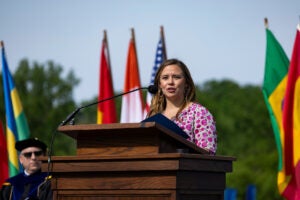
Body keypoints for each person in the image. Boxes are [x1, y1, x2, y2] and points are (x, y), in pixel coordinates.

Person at [147, 58, 217, 154]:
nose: (170, 82)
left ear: (187, 84)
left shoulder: (199, 113)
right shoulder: (153, 115)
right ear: (159, 85)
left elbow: (208, 154)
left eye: (176, 77)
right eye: (165, 77)